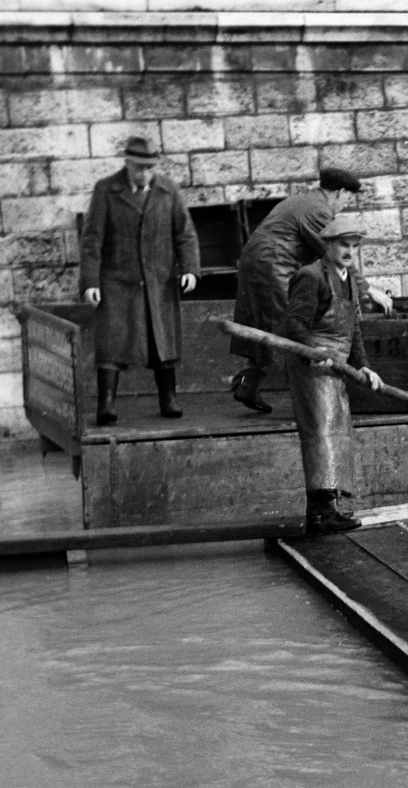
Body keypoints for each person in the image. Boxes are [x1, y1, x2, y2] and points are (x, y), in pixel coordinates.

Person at [229, 167, 392, 413]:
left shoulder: (305, 199)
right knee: (295, 324)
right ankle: (310, 399)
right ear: (339, 192)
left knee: (268, 324)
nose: (345, 205)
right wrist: (369, 290)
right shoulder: (319, 209)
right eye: (347, 198)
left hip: (258, 261)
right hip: (274, 263)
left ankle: (247, 383)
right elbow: (334, 254)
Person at [78, 136, 201, 425]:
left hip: (159, 279)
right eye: (139, 168)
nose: (144, 174)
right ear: (127, 163)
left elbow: (185, 233)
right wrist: (90, 282)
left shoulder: (167, 190)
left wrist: (190, 269)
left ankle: (168, 398)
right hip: (117, 280)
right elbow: (92, 239)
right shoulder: (106, 190)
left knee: (163, 341)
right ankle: (106, 405)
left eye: (149, 168)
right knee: (112, 343)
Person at [283, 218, 389, 535]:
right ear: (327, 245)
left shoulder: (350, 280)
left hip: (338, 367)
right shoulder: (310, 276)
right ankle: (325, 512)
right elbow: (294, 325)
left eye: (355, 245)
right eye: (344, 244)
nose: (349, 251)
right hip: (312, 368)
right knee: (320, 436)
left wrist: (365, 365)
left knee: (337, 434)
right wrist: (314, 352)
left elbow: (351, 329)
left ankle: (323, 510)